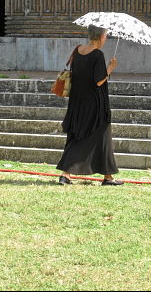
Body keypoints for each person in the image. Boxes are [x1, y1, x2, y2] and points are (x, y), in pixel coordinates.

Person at [56, 25, 124, 186]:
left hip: (78, 101)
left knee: (87, 134)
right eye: (106, 35)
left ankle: (107, 176)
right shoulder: (97, 54)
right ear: (100, 36)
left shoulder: (78, 50)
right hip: (94, 103)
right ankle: (66, 174)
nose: (106, 38)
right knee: (88, 135)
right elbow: (99, 80)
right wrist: (110, 68)